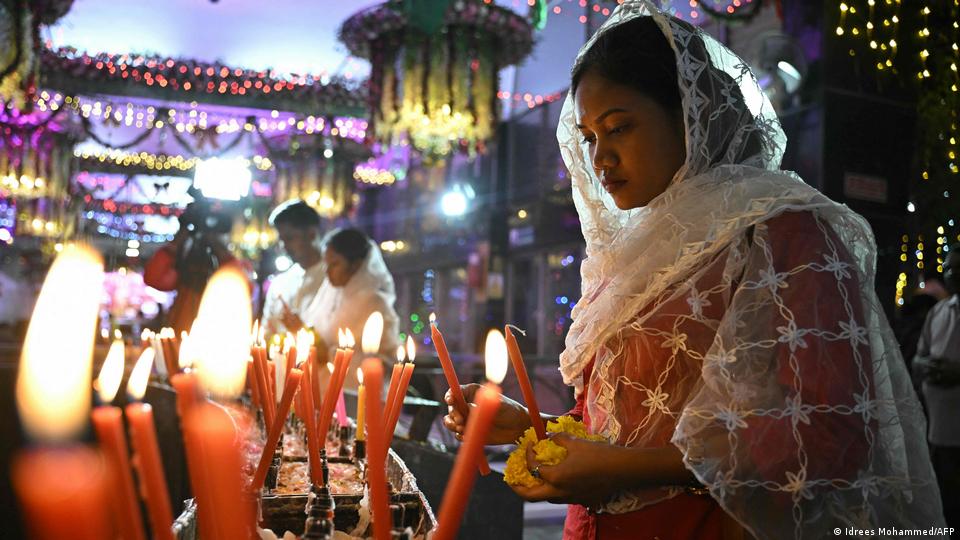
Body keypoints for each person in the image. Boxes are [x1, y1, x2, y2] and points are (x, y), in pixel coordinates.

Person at [444, 2, 944, 538]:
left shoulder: (783, 232)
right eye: (590, 137)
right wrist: (531, 428)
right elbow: (625, 422)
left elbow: (832, 435)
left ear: (690, 116)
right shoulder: (636, 250)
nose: (600, 158)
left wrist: (623, 471)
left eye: (619, 128)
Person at [302, 227, 400, 390]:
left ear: (356, 265)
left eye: (334, 264)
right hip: (323, 388)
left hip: (358, 392)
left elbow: (384, 361)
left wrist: (329, 355)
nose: (327, 272)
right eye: (326, 264)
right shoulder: (332, 298)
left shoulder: (375, 303)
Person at [914, 246, 960, 534]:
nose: (952, 273)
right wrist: (929, 366)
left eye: (958, 267)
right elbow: (918, 357)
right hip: (938, 431)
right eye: (948, 267)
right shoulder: (939, 312)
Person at [144, 202, 242, 335]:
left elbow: (240, 287)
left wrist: (217, 246)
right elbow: (154, 279)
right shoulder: (185, 265)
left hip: (215, 334)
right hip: (181, 331)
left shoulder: (229, 270)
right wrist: (180, 238)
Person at [263, 200, 327, 337]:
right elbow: (266, 332)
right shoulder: (280, 283)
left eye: (289, 238)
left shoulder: (333, 279)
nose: (284, 246)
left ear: (312, 234)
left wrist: (302, 331)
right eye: (281, 240)